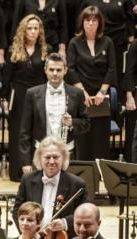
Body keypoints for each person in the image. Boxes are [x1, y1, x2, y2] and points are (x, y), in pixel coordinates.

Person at [18, 52, 88, 173]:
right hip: (41, 155)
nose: (55, 73)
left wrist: (72, 122)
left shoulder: (77, 94)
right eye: (51, 69)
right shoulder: (32, 93)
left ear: (65, 70)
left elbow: (86, 123)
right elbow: (25, 131)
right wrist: (25, 162)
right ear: (45, 70)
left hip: (67, 155)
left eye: (59, 70)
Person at [66, 6, 116, 162]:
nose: (91, 24)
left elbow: (112, 67)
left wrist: (102, 91)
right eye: (87, 20)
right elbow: (71, 69)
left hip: (101, 95)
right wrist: (82, 92)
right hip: (81, 94)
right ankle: (85, 170)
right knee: (83, 136)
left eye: (94, 20)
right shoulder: (74, 42)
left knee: (100, 136)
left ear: (99, 23)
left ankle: (101, 171)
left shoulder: (107, 42)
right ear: (82, 22)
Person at [3, 14, 49, 180]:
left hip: (39, 95)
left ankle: (37, 170)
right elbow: (7, 77)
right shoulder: (13, 49)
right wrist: (4, 99)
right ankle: (17, 172)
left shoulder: (45, 49)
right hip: (19, 95)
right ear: (23, 30)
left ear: (40, 31)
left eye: (36, 28)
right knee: (17, 132)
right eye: (29, 28)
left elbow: (46, 77)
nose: (32, 31)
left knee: (36, 131)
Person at [13, 136, 88, 238]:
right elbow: (17, 210)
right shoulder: (27, 180)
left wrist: (65, 222)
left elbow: (85, 214)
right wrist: (27, 234)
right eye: (47, 157)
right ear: (40, 158)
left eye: (56, 157)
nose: (51, 162)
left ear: (64, 158)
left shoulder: (77, 184)